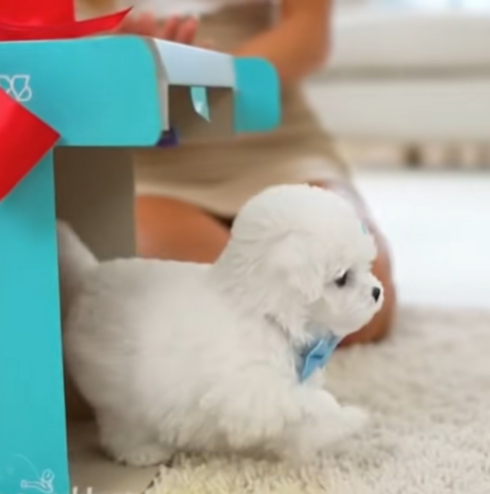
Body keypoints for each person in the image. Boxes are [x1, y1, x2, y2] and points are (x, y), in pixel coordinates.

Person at [83, 0, 396, 346]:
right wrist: (108, 68)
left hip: (274, 143)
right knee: (150, 276)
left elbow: (308, 33)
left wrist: (201, 81)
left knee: (361, 305)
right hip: (144, 162)